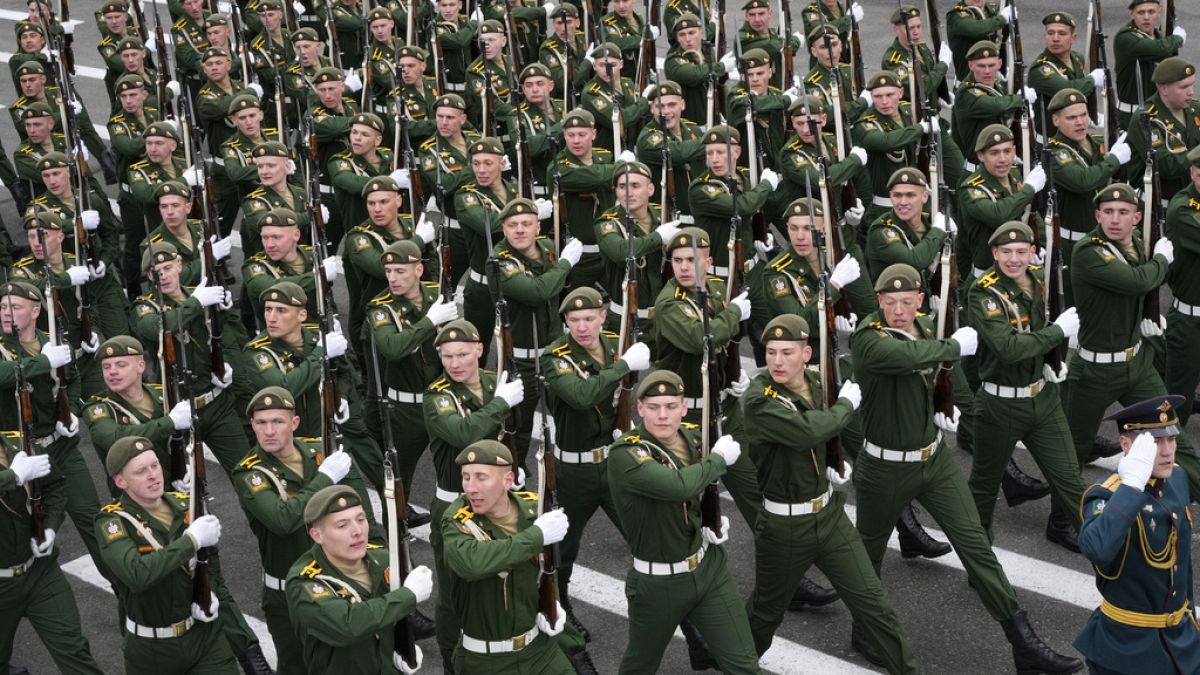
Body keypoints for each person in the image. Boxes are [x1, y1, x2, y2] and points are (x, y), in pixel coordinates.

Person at [850, 263, 1082, 674]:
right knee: (867, 556)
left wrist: (954, 405)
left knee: (976, 544)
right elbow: (907, 356)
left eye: (908, 302)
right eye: (890, 302)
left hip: (934, 461)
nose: (899, 310)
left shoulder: (924, 326)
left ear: (920, 300)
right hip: (883, 470)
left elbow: (943, 373)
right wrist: (954, 347)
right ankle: (863, 628)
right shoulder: (870, 339)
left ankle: (1022, 640)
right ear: (878, 302)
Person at [742, 314, 918, 673]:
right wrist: (845, 407)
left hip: (829, 515)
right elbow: (807, 431)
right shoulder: (759, 398)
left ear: (806, 353)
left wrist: (836, 462)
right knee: (764, 617)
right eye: (771, 352)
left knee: (874, 604)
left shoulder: (818, 381)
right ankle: (736, 665)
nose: (776, 361)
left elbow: (831, 434)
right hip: (784, 526)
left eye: (786, 352)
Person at [233, 386, 401, 674]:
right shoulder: (250, 472)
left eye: (278, 422)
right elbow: (282, 520)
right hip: (288, 591)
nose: (269, 431)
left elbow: (359, 513)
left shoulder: (321, 451)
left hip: (342, 585)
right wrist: (325, 477)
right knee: (297, 667)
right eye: (261, 423)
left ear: (294, 424)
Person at [607, 370, 759, 674]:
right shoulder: (627, 453)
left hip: (708, 570)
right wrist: (716, 461)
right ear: (640, 409)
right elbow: (676, 486)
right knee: (640, 667)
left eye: (671, 406)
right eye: (653, 407)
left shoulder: (692, 436)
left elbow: (697, 493)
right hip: (657, 583)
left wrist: (709, 520)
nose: (663, 415)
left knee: (744, 666)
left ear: (684, 407)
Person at [1066, 184, 1200, 497]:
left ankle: (1191, 490)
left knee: (1172, 436)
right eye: (1108, 212)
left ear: (1137, 217)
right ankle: (1062, 520)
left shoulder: (1137, 243)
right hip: (1094, 371)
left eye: (1123, 213)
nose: (1115, 219)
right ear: (1097, 215)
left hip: (1136, 365)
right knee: (1073, 452)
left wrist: (1147, 318)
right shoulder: (1088, 251)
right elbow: (1137, 281)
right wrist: (1163, 261)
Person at [965, 221, 1088, 552]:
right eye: (1006, 252)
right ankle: (981, 565)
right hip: (999, 404)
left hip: (1043, 399)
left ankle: (1109, 563)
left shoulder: (1039, 280)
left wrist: (1051, 361)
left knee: (1070, 482)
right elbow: (1009, 348)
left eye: (1021, 251)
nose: (1014, 259)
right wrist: (1057, 334)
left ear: (1033, 252)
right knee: (983, 491)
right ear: (994, 253)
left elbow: (1039, 328)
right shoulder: (984, 292)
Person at [539, 286, 651, 639]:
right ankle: (562, 614)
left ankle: (679, 617)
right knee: (562, 555)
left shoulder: (615, 344)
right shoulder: (554, 356)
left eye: (590, 318)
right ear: (565, 322)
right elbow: (581, 396)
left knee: (648, 536)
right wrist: (623, 366)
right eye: (574, 320)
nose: (583, 327)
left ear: (604, 316)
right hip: (573, 471)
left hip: (614, 463)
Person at [423, 319, 525, 672]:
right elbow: (464, 432)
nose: (455, 363)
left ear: (480, 350)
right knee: (455, 594)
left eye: (463, 354)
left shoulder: (491, 383)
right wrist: (501, 402)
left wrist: (514, 466)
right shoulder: (437, 396)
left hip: (495, 499)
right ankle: (453, 659)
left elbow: (509, 434)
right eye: (447, 356)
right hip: (455, 502)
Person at [442, 439, 593, 673]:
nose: (470, 487)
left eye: (481, 477)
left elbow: (546, 568)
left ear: (508, 480)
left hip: (539, 650)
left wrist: (551, 604)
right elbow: (472, 564)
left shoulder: (534, 509)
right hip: (486, 660)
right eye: (466, 477)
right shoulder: (457, 520)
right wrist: (536, 536)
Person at [1074, 395, 1200, 674]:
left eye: (1171, 439)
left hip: (1181, 641)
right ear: (1126, 445)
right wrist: (1131, 487)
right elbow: (1096, 548)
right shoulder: (1107, 495)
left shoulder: (1176, 478)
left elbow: (1182, 564)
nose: (1168, 451)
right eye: (1155, 443)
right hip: (1128, 651)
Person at [95, 437, 237, 673]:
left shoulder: (187, 505)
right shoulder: (112, 522)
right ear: (120, 481)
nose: (152, 475)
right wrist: (190, 540)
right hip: (153, 650)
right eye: (140, 471)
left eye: (154, 465)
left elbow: (209, 561)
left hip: (204, 638)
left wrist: (208, 591)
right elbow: (136, 574)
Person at [285, 484, 434, 674]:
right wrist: (408, 595)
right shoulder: (305, 582)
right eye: (342, 525)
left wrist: (397, 651)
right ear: (317, 535)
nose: (357, 531)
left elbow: (386, 623)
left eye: (361, 519)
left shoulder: (382, 559)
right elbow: (347, 625)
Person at [364, 239, 458, 519]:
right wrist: (430, 322)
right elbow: (393, 348)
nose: (392, 278)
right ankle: (396, 529)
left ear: (418, 270)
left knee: (454, 467)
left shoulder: (437, 295)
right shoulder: (381, 309)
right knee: (398, 478)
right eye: (389, 271)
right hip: (404, 408)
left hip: (440, 400)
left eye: (400, 271)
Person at [0, 434, 103, 674]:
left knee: (74, 652)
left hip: (39, 572)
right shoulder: (17, 464)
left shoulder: (18, 443)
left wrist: (49, 527)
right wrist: (12, 477)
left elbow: (55, 486)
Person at [1113, 0, 1184, 128]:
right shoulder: (1125, 37)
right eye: (1141, 12)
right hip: (1132, 114)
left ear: (1159, 12)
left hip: (1158, 111)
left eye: (1151, 12)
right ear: (1132, 15)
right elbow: (1161, 49)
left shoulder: (1159, 36)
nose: (1146, 17)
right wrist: (1177, 39)